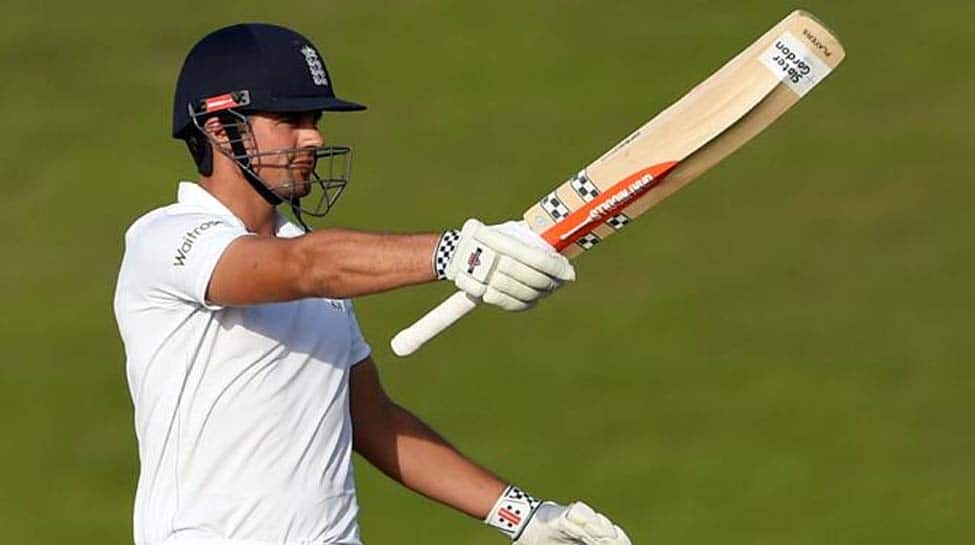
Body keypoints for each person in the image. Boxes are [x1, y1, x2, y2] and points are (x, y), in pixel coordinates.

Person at [113, 23, 631, 545]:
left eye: (313, 119)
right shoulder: (166, 240)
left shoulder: (316, 262)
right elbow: (302, 267)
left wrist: (523, 517)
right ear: (221, 130)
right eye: (290, 119)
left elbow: (373, 420)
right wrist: (454, 253)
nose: (313, 136)